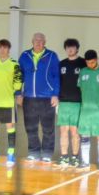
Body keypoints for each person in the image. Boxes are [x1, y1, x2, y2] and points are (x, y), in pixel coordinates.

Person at [19, 32, 59, 163]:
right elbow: (19, 76)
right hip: (29, 98)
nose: (38, 42)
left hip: (47, 98)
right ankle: (34, 152)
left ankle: (47, 153)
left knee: (48, 129)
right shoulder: (24, 56)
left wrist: (55, 94)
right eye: (36, 40)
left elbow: (56, 76)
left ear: (45, 42)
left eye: (41, 40)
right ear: (32, 41)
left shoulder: (52, 55)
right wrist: (18, 93)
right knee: (30, 128)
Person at [0, 39, 22, 164]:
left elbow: (18, 82)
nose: (2, 50)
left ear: (9, 49)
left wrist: (11, 91)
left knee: (10, 127)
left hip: (8, 102)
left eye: (5, 47)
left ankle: (11, 154)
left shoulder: (14, 64)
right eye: (0, 47)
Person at [77, 49, 99, 169]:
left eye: (92, 62)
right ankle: (85, 161)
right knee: (85, 136)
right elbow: (81, 88)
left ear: (97, 59)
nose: (90, 65)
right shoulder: (83, 72)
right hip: (86, 111)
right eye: (87, 62)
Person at [56, 38, 84, 167]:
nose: (70, 49)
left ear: (77, 48)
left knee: (75, 131)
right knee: (63, 131)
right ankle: (64, 157)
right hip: (63, 102)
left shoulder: (83, 63)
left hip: (77, 103)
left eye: (72, 47)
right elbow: (57, 82)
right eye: (68, 47)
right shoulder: (61, 64)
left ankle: (75, 157)